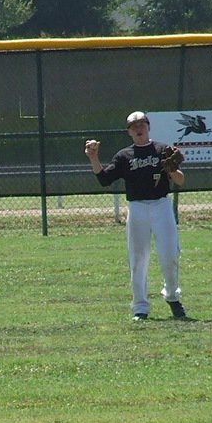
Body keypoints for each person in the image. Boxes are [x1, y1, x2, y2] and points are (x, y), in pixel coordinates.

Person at [85, 110, 189, 321]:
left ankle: (171, 295)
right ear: (129, 132)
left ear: (148, 127)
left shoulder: (162, 150)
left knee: (170, 255)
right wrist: (93, 158)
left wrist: (171, 170)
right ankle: (140, 307)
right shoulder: (124, 156)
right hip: (137, 208)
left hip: (161, 205)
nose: (138, 128)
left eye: (142, 124)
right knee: (138, 259)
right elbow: (105, 179)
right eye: (134, 126)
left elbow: (180, 181)